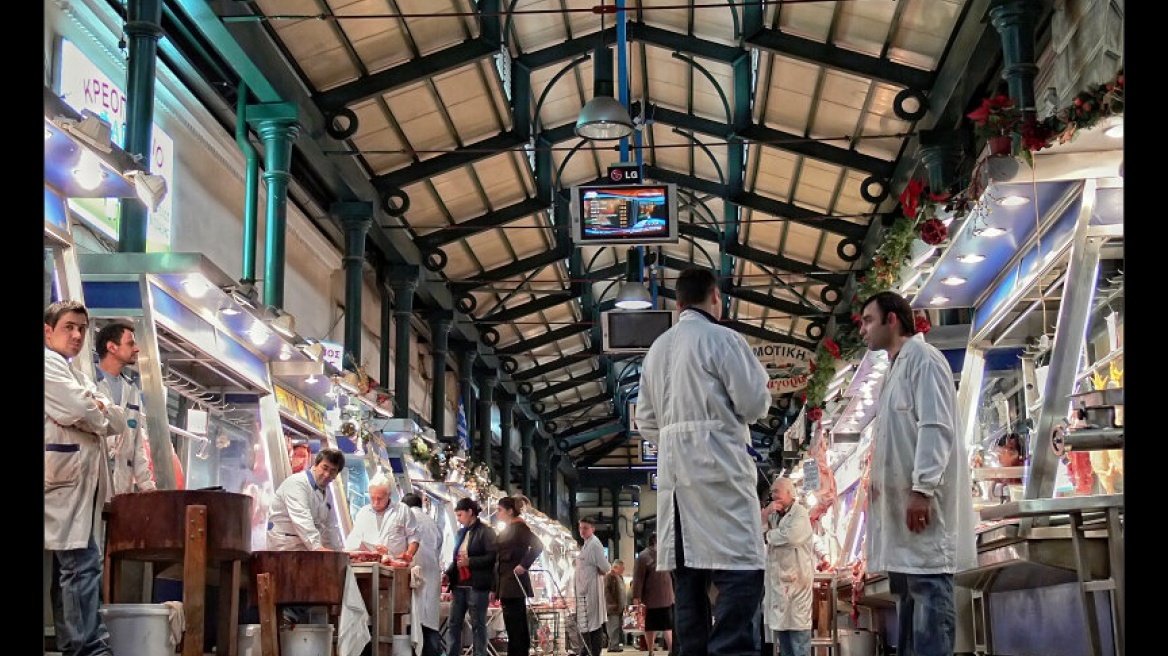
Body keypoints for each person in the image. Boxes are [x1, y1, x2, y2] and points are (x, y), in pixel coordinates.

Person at [635, 267, 772, 656]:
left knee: (689, 594)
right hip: (721, 478)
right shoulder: (724, 339)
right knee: (741, 578)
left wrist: (676, 440)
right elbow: (753, 403)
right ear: (717, 297)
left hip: (677, 488)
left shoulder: (656, 350)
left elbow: (644, 419)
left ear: (678, 304)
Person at [857, 290, 976, 656]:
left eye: (868, 320)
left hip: (923, 515)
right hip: (900, 526)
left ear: (892, 320)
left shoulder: (924, 360)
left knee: (929, 602)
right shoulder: (895, 370)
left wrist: (922, 488)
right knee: (910, 606)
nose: (863, 330)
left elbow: (936, 427)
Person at [45, 300, 127, 656]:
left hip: (78, 484)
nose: (77, 335)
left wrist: (94, 409)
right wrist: (95, 410)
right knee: (80, 567)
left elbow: (119, 421)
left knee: (75, 567)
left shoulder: (74, 373)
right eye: (68, 327)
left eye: (81, 328)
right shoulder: (48, 366)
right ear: (47, 331)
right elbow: (81, 408)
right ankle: (87, 649)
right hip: (63, 481)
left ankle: (75, 645)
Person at [93, 320, 157, 495]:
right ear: (112, 347)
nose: (136, 349)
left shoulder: (132, 391)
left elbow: (137, 446)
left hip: (121, 490)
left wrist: (147, 486)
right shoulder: (89, 382)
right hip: (89, 484)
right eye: (130, 343)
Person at [761, 477, 814, 656]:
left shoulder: (800, 513)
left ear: (790, 493)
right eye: (772, 492)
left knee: (799, 642)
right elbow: (758, 533)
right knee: (784, 644)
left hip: (797, 585)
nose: (774, 495)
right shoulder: (774, 516)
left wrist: (769, 535)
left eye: (777, 492)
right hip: (779, 588)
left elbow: (791, 537)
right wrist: (765, 516)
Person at [444, 497, 498, 656]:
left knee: (478, 624)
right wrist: (448, 573)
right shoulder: (461, 533)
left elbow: (492, 556)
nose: (459, 519)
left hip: (477, 586)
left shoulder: (486, 532)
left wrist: (471, 562)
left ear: (470, 512)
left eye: (460, 515)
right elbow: (457, 560)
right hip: (459, 585)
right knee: (453, 623)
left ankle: (480, 653)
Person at [266, 447, 345, 552]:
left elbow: (331, 526)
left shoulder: (327, 492)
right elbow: (302, 519)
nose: (327, 474)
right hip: (285, 547)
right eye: (325, 468)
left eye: (333, 471)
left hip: (305, 549)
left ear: (336, 475)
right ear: (315, 465)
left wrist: (338, 552)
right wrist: (317, 547)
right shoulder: (296, 483)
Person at [495, 495, 544, 656]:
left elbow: (537, 545)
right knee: (514, 625)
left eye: (500, 510)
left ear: (510, 511)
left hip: (513, 582)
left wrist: (523, 565)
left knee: (516, 625)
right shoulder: (510, 528)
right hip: (507, 582)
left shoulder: (520, 528)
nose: (497, 513)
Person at [343, 474, 419, 565]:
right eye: (372, 498)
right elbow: (354, 540)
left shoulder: (402, 510)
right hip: (370, 565)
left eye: (379, 498)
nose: (376, 502)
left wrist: (409, 553)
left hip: (397, 565)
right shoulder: (363, 513)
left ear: (389, 495)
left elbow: (414, 536)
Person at [403, 493, 444, 656]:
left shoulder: (406, 518)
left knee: (412, 619)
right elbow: (438, 547)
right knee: (430, 621)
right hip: (431, 572)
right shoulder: (432, 522)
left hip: (412, 572)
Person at [630, 533, 673, 656]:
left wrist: (636, 597)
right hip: (660, 599)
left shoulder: (646, 556)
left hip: (655, 599)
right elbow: (638, 579)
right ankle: (665, 650)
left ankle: (654, 651)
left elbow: (638, 579)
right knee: (664, 626)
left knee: (655, 626)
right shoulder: (658, 556)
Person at [573, 517, 610, 656]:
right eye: (580, 527)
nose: (582, 531)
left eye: (585, 528)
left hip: (592, 591)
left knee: (593, 624)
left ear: (592, 529)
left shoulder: (595, 544)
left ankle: (593, 652)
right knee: (586, 624)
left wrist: (599, 570)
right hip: (584, 590)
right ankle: (587, 650)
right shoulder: (586, 544)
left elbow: (605, 567)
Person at [604, 560, 627, 652]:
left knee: (616, 627)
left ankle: (613, 645)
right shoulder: (609, 576)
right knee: (613, 627)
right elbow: (606, 592)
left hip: (619, 607)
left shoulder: (619, 577)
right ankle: (614, 646)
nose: (624, 569)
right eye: (622, 567)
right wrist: (611, 604)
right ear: (616, 567)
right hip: (612, 608)